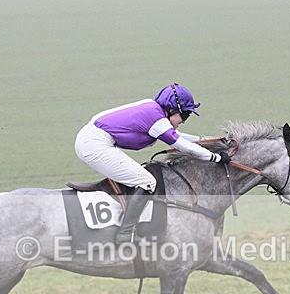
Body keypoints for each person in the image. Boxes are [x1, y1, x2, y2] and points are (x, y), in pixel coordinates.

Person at [75, 83, 230, 244]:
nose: (184, 120)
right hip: (93, 144)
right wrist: (214, 158)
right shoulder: (156, 119)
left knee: (139, 178)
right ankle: (125, 234)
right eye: (184, 115)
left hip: (92, 140)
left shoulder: (155, 113)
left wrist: (206, 140)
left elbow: (177, 136)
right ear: (171, 110)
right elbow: (180, 144)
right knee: (147, 181)